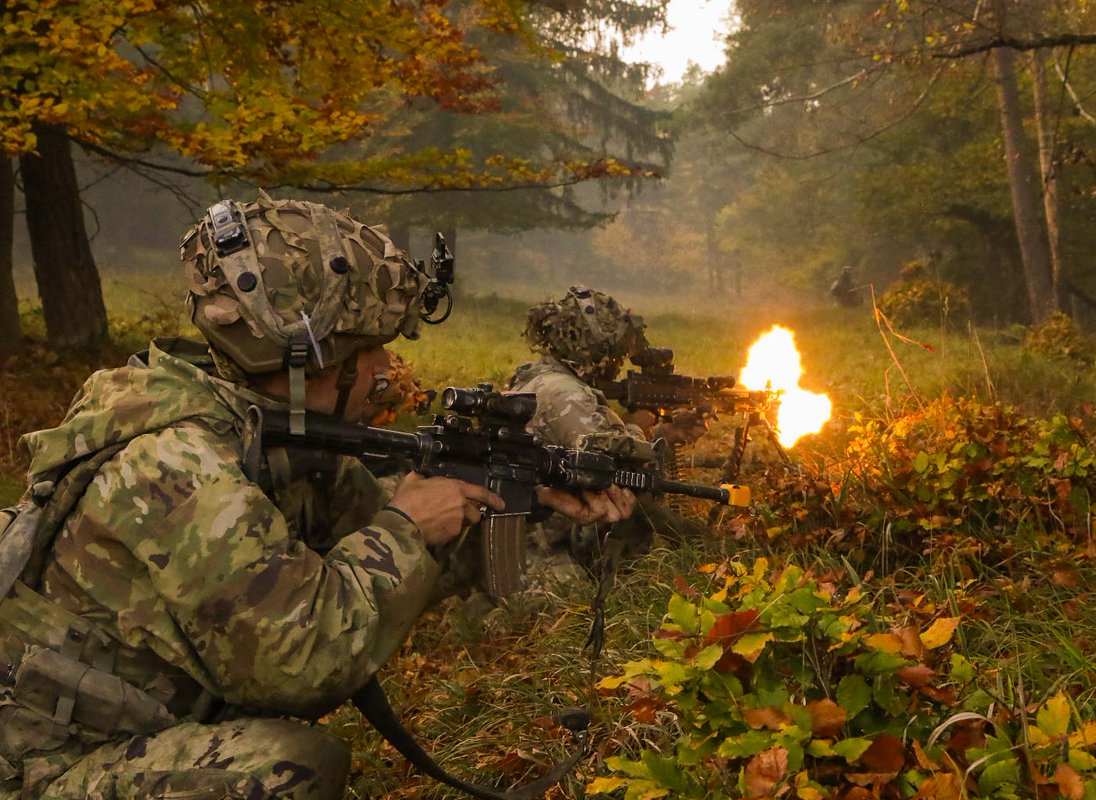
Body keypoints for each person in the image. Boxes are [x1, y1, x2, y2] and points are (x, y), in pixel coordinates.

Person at [0, 192, 633, 799]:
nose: (387, 368)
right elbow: (305, 657)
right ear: (305, 359)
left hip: (137, 719)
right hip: (42, 759)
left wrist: (510, 499)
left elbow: (375, 550)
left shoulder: (254, 424)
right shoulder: (177, 465)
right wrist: (406, 529)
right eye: (368, 349)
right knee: (287, 771)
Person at [506, 286, 709, 577]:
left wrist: (664, 430)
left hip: (542, 527)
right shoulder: (565, 394)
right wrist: (639, 425)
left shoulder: (543, 377)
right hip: (534, 550)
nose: (616, 364)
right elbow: (614, 463)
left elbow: (595, 442)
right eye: (613, 353)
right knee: (575, 609)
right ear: (593, 346)